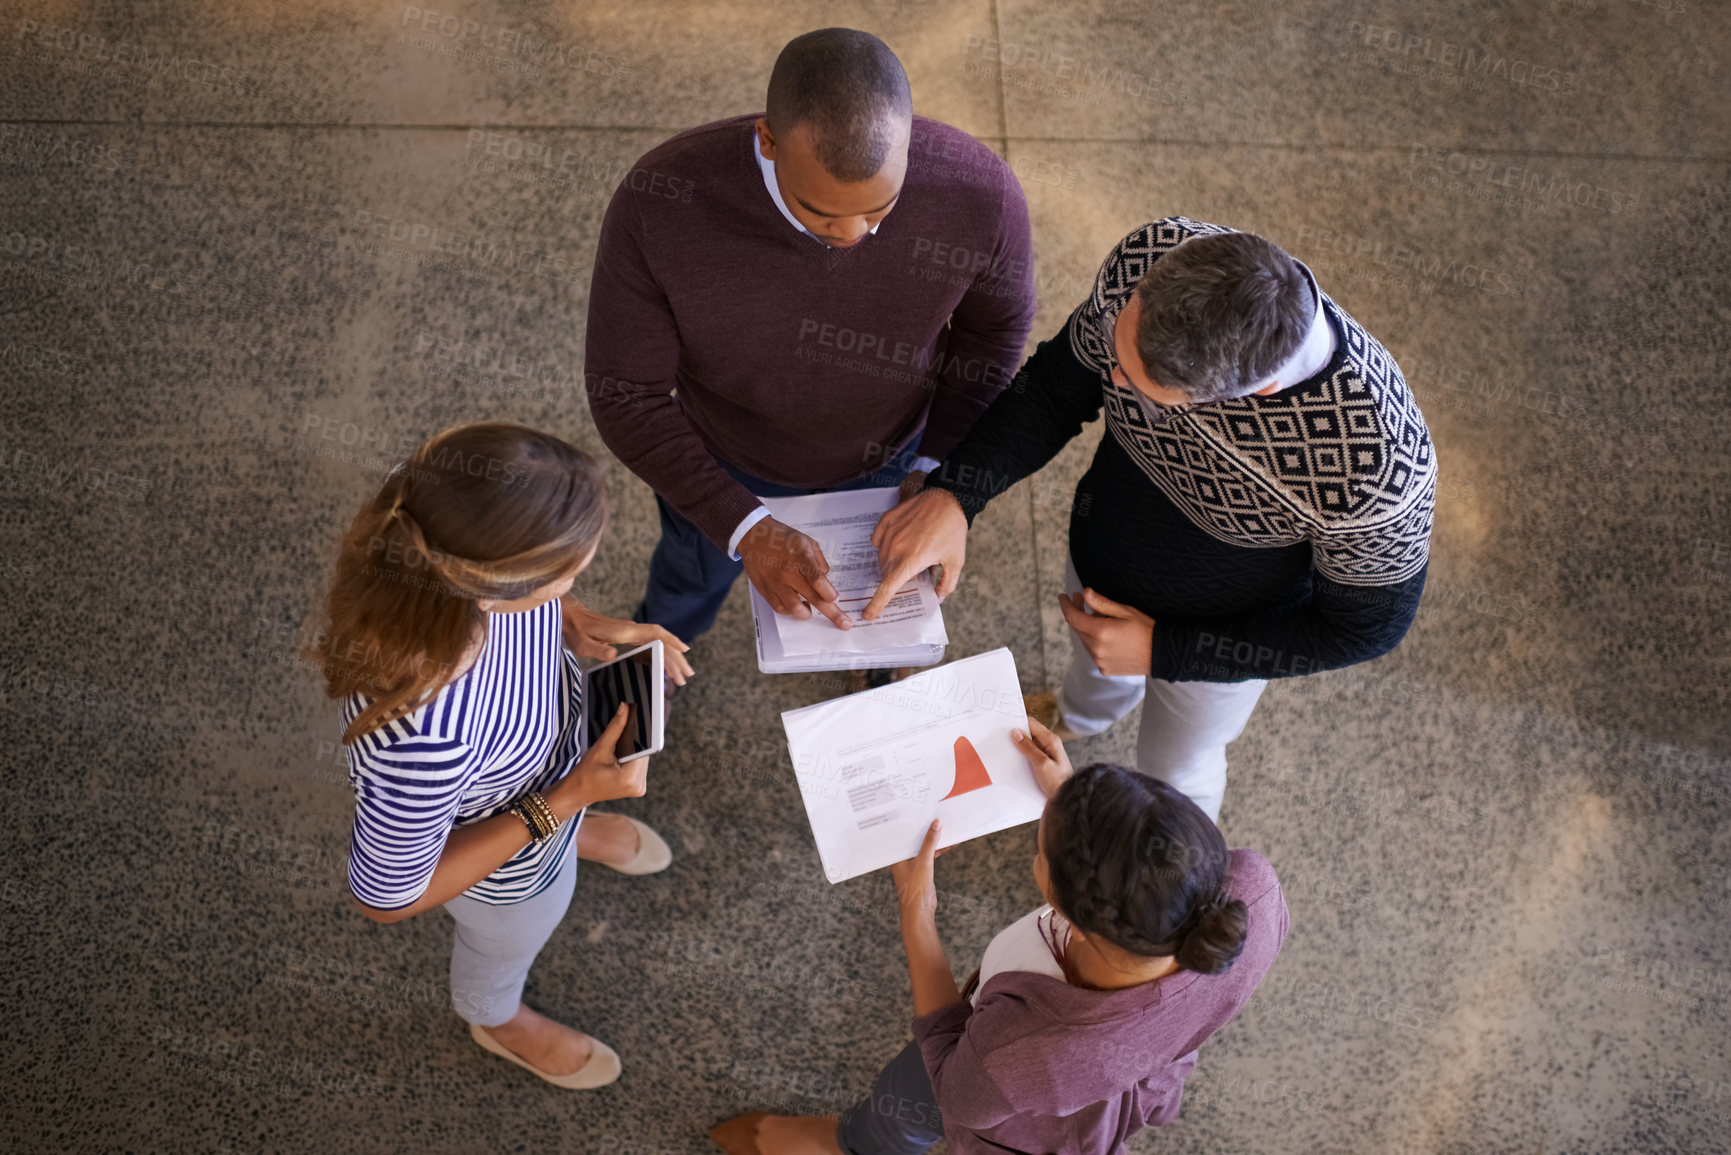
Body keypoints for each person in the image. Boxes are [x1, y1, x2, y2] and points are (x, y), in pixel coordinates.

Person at [867, 217, 1436, 820]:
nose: (1109, 377)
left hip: (1222, 640)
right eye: (1117, 349)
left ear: (1257, 393)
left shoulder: (1376, 465)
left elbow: (1364, 628)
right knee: (1091, 673)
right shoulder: (1154, 254)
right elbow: (1057, 389)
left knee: (1176, 770)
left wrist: (1166, 652)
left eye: (1138, 387)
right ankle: (1082, 713)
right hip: (1102, 554)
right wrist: (956, 493)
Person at [584, 27, 1035, 646]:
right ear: (767, 140)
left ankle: (877, 660)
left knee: (882, 604)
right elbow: (624, 394)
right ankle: (660, 667)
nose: (852, 234)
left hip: (895, 457)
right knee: (688, 584)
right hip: (725, 463)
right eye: (818, 212)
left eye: (881, 210)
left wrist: (940, 466)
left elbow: (994, 334)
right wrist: (743, 524)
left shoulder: (982, 194)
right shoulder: (659, 205)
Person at [306, 422, 693, 1089]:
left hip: (536, 767)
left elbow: (532, 603)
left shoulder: (443, 520)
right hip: (503, 871)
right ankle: (495, 1014)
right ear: (500, 585)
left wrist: (573, 616)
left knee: (563, 829)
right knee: (509, 939)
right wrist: (567, 799)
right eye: (566, 574)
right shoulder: (425, 736)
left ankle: (574, 834)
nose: (577, 579)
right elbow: (389, 896)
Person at [710, 718, 1289, 1155]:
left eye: (1042, 850)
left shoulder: (1020, 1056)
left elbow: (947, 1074)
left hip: (1010, 1103)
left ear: (1069, 914)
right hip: (1132, 1068)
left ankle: (852, 1143)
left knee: (907, 1107)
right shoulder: (1253, 892)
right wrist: (1079, 806)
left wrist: (917, 911)